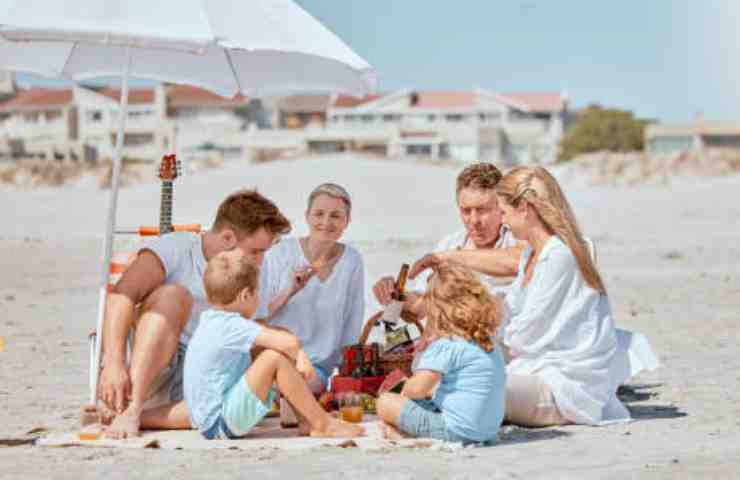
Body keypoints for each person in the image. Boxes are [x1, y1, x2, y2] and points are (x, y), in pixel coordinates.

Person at [96, 189, 292, 438]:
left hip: (206, 374)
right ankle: (132, 407)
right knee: (173, 297)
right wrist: (113, 363)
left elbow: (255, 329)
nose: (261, 260)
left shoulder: (250, 270)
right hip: (154, 366)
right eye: (255, 251)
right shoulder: (177, 249)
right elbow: (122, 295)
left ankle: (136, 417)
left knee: (273, 337)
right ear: (228, 237)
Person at [495, 166, 630, 426]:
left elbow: (528, 330)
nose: (502, 221)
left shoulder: (560, 256)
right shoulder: (529, 256)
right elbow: (509, 313)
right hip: (532, 366)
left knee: (475, 389)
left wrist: (495, 341)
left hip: (563, 384)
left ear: (524, 208)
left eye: (504, 213)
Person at [184, 249, 364, 439]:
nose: (259, 299)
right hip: (220, 423)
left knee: (270, 347)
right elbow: (285, 342)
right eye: (258, 293)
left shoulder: (213, 320)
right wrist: (301, 356)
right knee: (273, 358)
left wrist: (291, 347)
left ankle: (307, 420)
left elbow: (279, 335)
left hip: (213, 421)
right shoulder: (231, 326)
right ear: (245, 295)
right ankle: (323, 424)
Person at [376, 262, 506, 445]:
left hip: (456, 431)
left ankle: (405, 434)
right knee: (429, 398)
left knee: (386, 402)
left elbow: (416, 389)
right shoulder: (488, 340)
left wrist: (404, 385)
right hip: (487, 430)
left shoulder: (446, 344)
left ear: (435, 309)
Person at [373, 163, 524, 318]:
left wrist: (451, 258)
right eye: (466, 211)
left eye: (482, 210)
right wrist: (395, 295)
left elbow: (518, 260)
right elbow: (421, 307)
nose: (474, 220)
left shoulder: (516, 239)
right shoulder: (450, 243)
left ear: (501, 207)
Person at [258, 183, 364, 393]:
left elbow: (352, 322)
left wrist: (347, 376)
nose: (326, 222)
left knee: (300, 383)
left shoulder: (352, 260)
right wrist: (290, 291)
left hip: (314, 370)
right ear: (307, 216)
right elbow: (257, 317)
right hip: (272, 357)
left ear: (347, 222)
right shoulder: (281, 253)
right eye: (319, 214)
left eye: (336, 216)